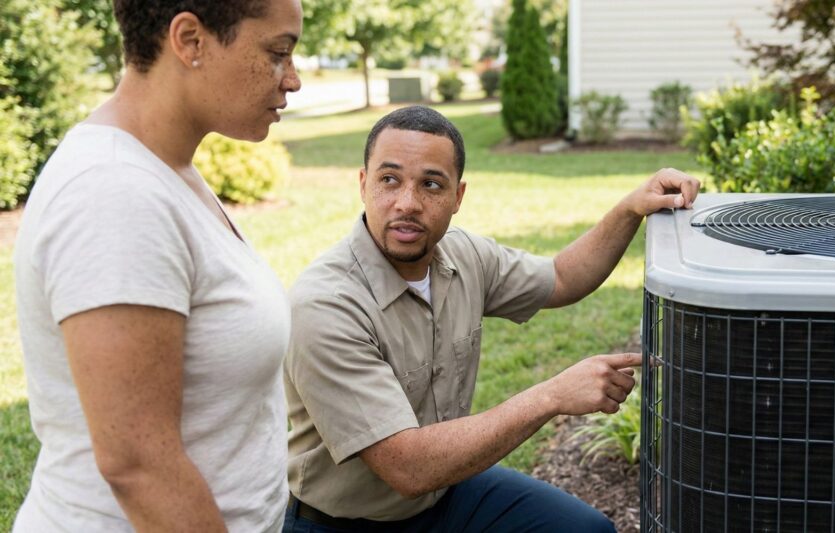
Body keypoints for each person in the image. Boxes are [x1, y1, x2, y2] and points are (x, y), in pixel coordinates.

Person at [283, 105, 700, 531]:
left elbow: (561, 277)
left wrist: (630, 208)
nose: (407, 203)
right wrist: (551, 396)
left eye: (431, 184)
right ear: (363, 184)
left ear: (458, 197)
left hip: (446, 495)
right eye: (389, 180)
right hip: (345, 522)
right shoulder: (326, 304)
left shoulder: (463, 256)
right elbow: (407, 468)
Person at [12, 0, 302, 530]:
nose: (294, 79)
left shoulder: (165, 168)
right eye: (278, 53)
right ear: (190, 40)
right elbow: (138, 464)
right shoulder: (113, 192)